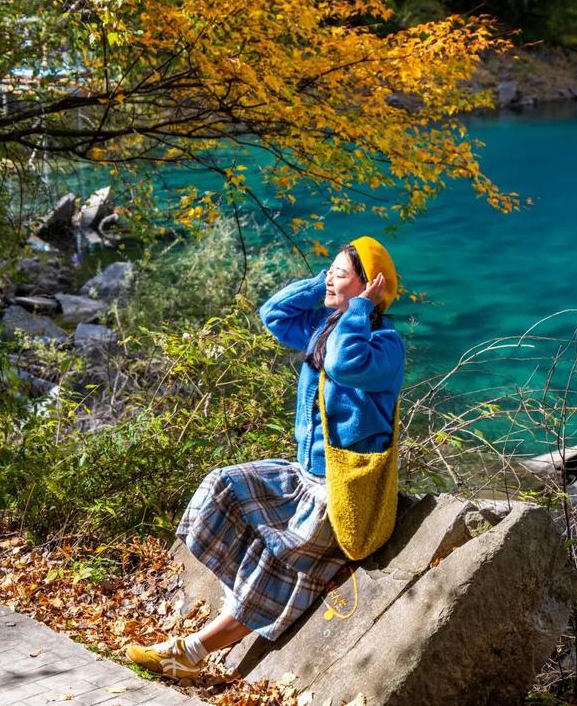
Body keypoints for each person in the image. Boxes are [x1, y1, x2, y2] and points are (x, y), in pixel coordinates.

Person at [125, 236, 405, 679]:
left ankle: (187, 653)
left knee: (275, 565)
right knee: (222, 486)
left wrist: (359, 310)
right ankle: (232, 602)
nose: (330, 276)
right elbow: (273, 314)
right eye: (328, 269)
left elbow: (346, 364)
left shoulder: (385, 344)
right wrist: (322, 285)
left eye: (341, 273)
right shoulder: (325, 325)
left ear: (370, 286)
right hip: (303, 476)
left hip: (342, 490)